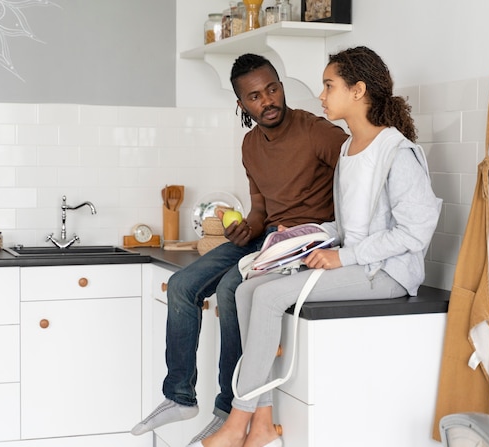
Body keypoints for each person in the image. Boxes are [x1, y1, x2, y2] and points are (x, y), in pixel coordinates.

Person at [193, 46, 442, 447]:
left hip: (388, 274)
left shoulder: (397, 152)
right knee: (246, 289)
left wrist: (341, 256)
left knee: (271, 297)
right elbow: (348, 226)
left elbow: (416, 233)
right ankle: (262, 422)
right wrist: (295, 239)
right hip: (357, 266)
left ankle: (238, 421)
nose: (321, 95)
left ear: (358, 90)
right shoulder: (349, 149)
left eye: (329, 86)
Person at [130, 53, 348, 444]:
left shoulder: (317, 132)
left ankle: (230, 406)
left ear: (281, 86)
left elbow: (357, 173)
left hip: (302, 243)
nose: (267, 101)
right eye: (254, 96)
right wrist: (245, 228)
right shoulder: (250, 145)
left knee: (232, 289)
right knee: (182, 284)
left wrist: (339, 235)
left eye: (272, 89)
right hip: (265, 237)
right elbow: (262, 209)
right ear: (241, 104)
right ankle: (179, 395)